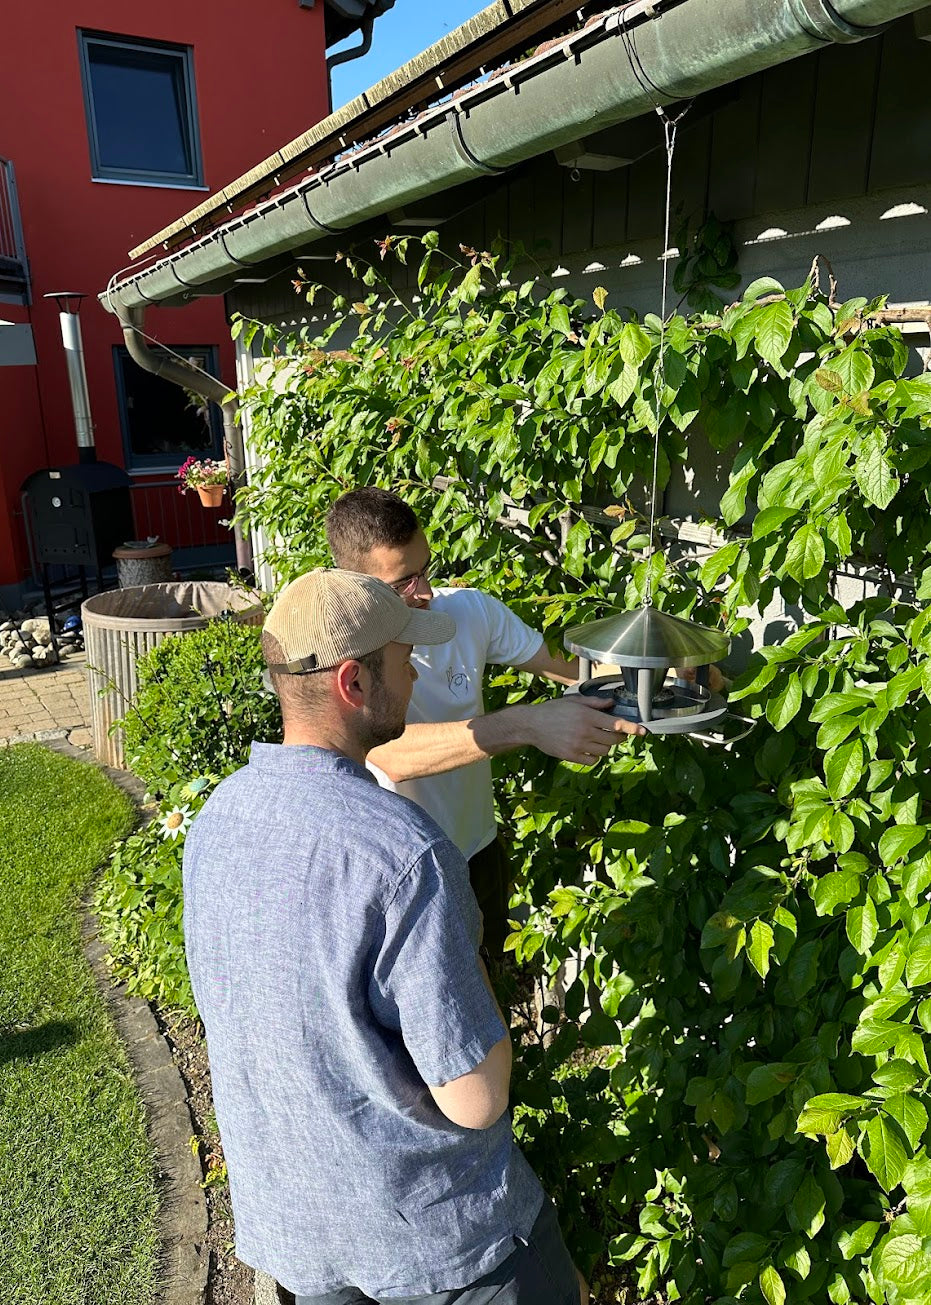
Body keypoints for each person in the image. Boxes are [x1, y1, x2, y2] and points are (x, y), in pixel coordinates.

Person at [183, 568, 588, 1304]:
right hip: (441, 1244)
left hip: (301, 1234)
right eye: (403, 654)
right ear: (353, 682)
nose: (414, 666)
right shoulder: (402, 853)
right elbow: (475, 1095)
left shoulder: (219, 818)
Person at [324, 487, 646, 955]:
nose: (428, 592)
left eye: (426, 569)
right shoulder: (335, 653)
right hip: (396, 874)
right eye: (404, 583)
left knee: (490, 989)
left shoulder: (468, 611)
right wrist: (528, 724)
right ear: (354, 583)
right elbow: (385, 755)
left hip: (476, 850)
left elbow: (574, 671)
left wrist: (663, 672)